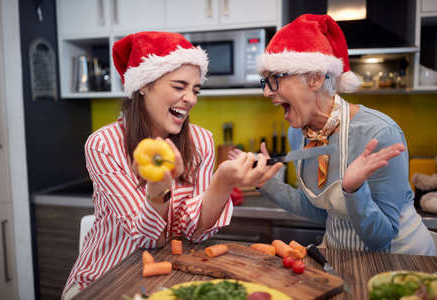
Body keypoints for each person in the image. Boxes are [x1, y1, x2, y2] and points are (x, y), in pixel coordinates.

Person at [62, 31, 281, 300]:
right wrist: (159, 186)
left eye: (195, 89)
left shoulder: (201, 141)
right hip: (102, 281)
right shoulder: (104, 145)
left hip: (169, 281)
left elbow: (196, 232)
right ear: (144, 84)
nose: (191, 98)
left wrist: (223, 181)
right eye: (179, 87)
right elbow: (146, 238)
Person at [229, 14, 435, 256]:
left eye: (275, 79)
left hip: (400, 263)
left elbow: (381, 239)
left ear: (315, 78)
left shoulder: (380, 134)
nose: (266, 92)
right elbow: (318, 209)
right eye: (265, 81)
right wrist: (264, 182)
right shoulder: (298, 133)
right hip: (340, 259)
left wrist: (354, 190)